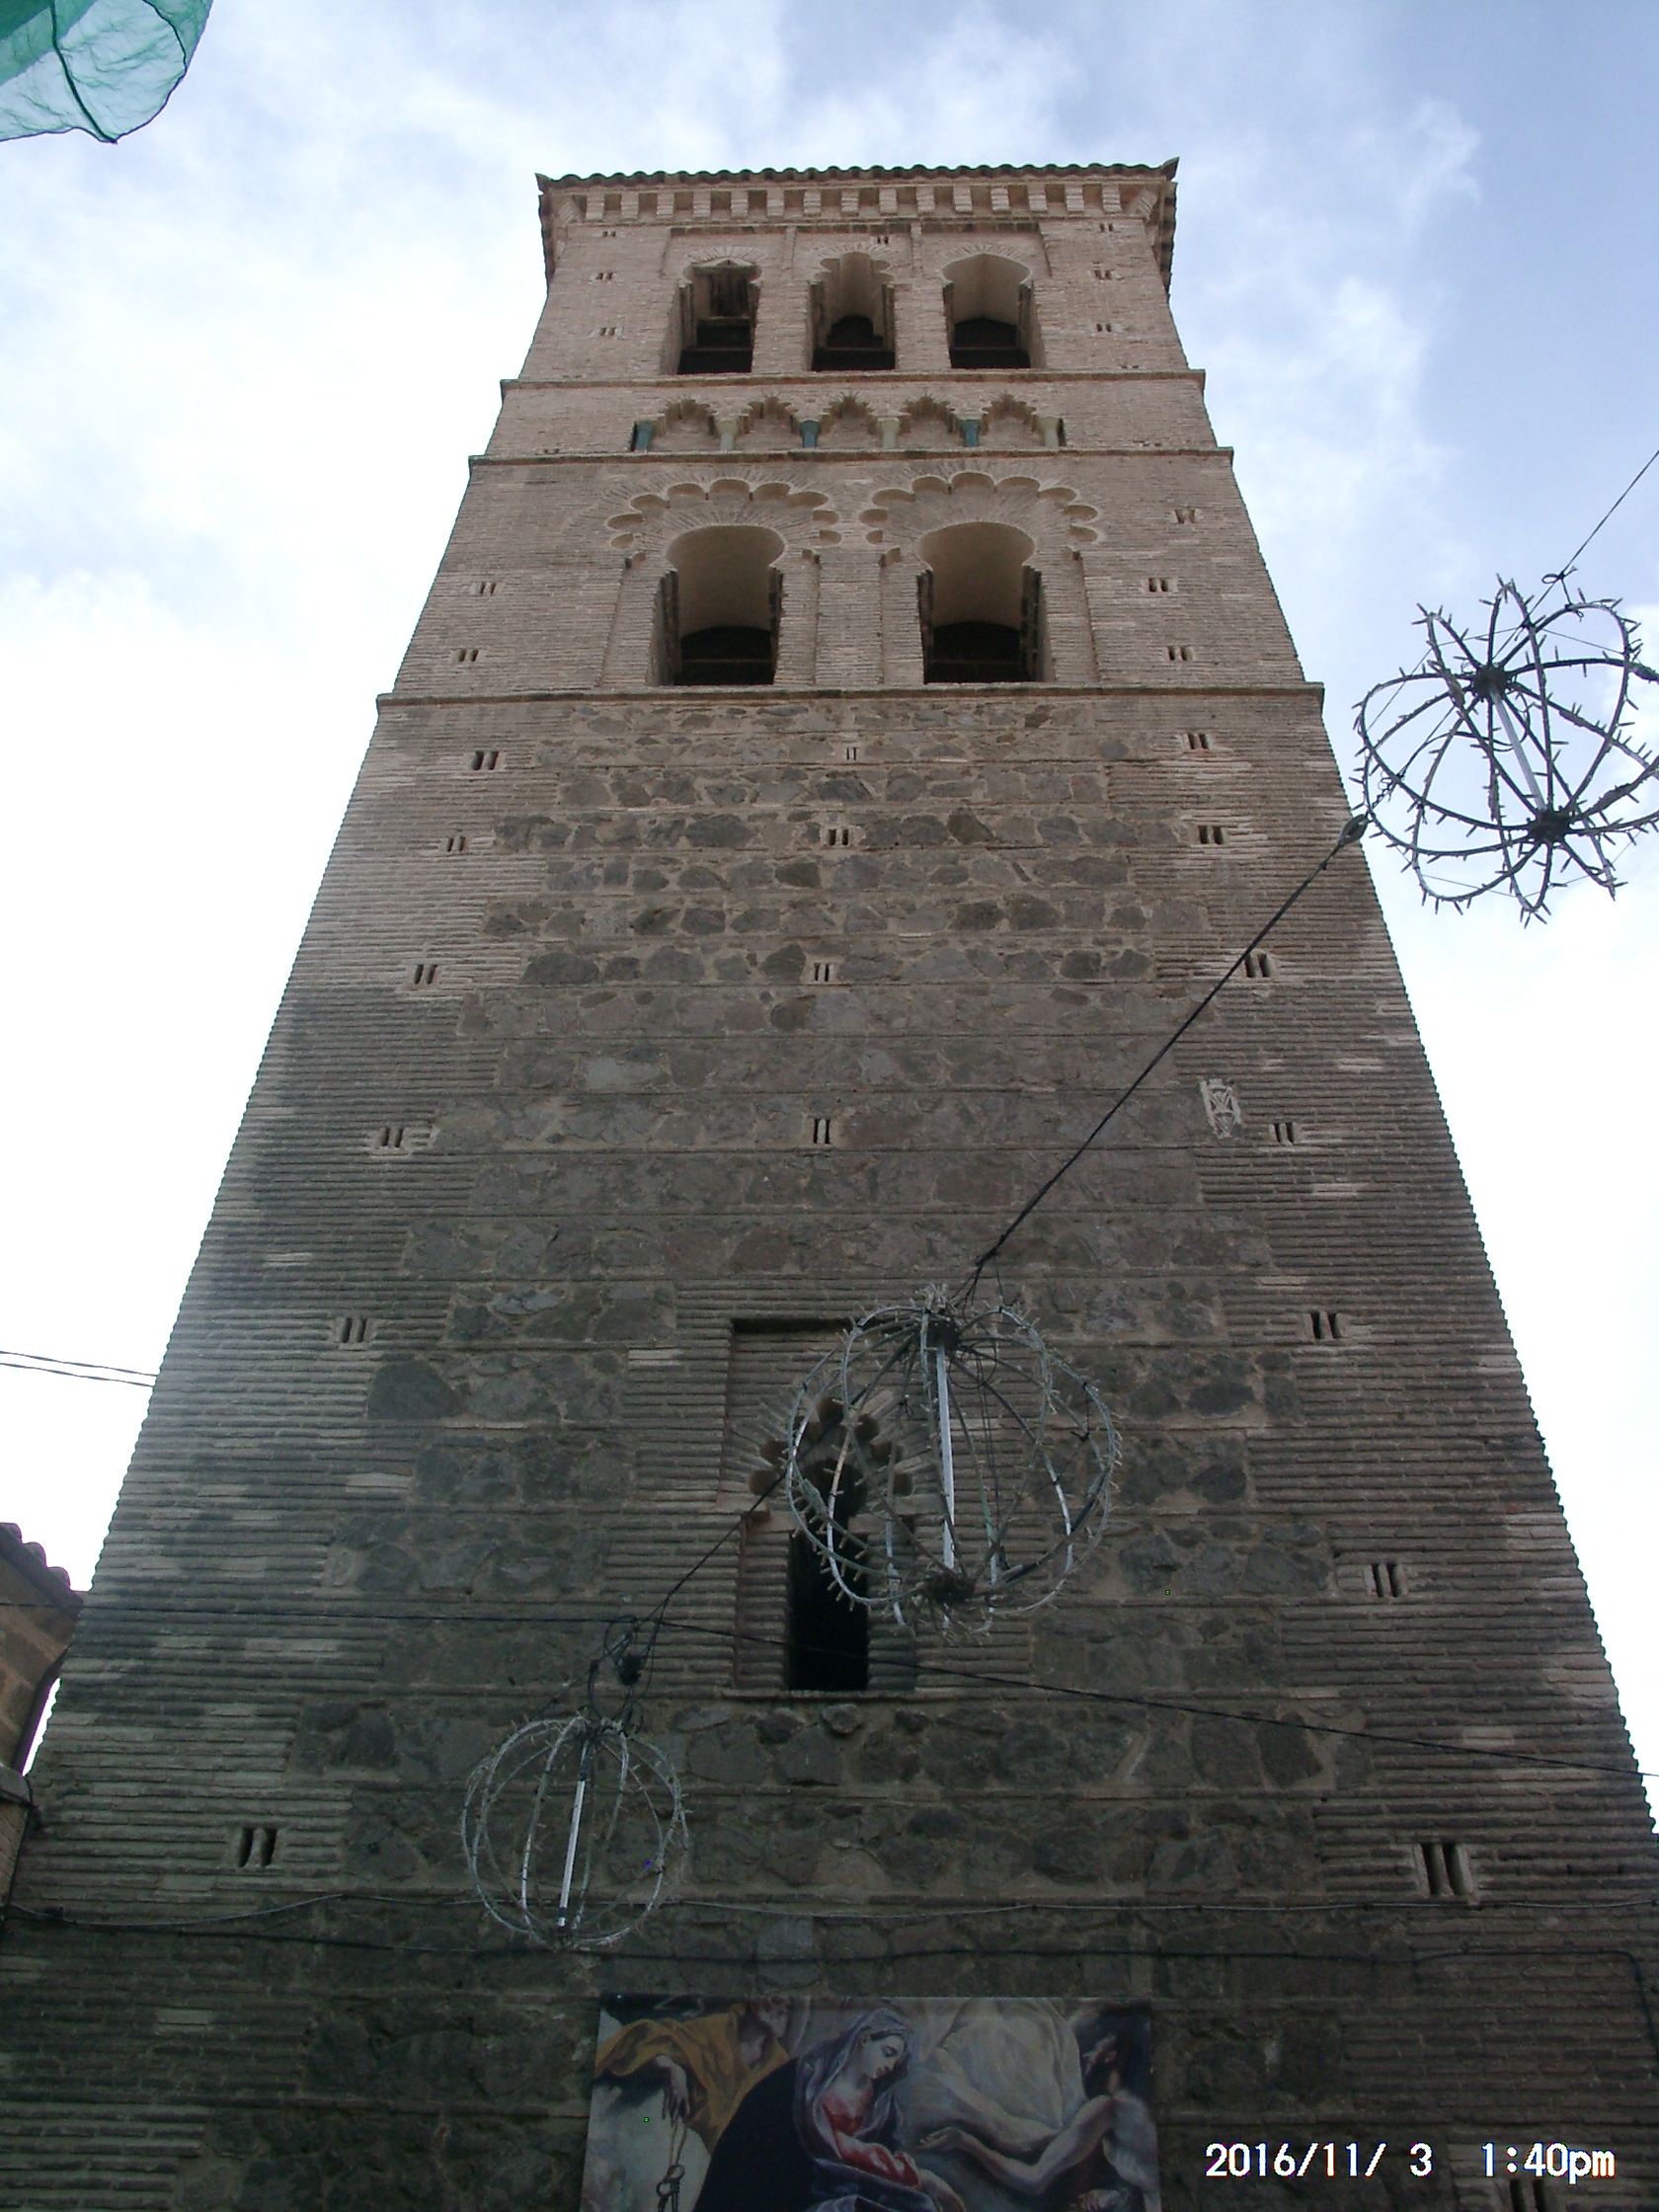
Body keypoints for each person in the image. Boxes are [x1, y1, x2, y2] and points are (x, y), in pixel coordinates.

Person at [917, 2025, 1158, 2211]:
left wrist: (966, 2142)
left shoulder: (1108, 2108)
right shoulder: (1134, 2107)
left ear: (1111, 2056)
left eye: (1097, 2048)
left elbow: (1033, 2180)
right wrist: (1115, 2196)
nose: (1087, 2055)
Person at [793, 2010, 965, 2212]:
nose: (890, 2066)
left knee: (921, 2205)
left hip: (865, 2182)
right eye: (888, 2053)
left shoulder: (882, 2106)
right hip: (813, 2179)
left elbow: (888, 2146)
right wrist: (918, 2175)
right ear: (864, 2040)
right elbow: (835, 2145)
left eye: (895, 2062)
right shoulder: (812, 2079)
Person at [593, 2000, 791, 2156]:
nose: (782, 2002)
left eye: (789, 2005)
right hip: (674, 2153)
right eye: (774, 1996)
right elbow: (649, 2039)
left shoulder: (780, 2067)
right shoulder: (716, 2031)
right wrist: (669, 2064)